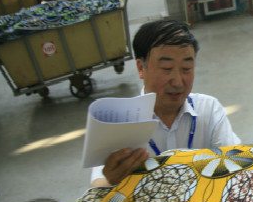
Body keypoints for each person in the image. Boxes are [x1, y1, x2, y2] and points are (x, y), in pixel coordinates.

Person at [91, 19, 240, 187]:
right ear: (141, 68)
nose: (177, 82)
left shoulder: (209, 109)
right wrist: (111, 181)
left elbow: (236, 163)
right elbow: (97, 185)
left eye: (186, 68)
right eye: (167, 68)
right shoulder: (120, 123)